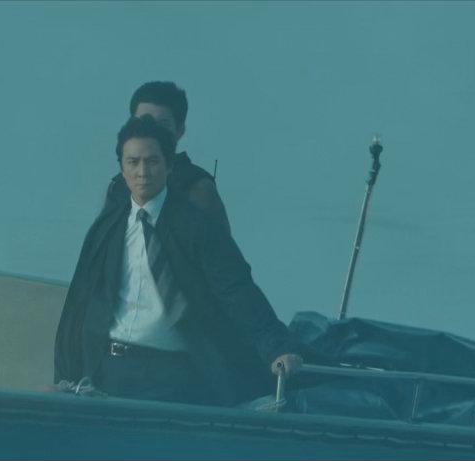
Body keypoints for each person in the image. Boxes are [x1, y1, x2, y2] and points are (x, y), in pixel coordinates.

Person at [54, 116, 308, 407]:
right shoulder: (107, 228)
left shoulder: (196, 227)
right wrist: (65, 377)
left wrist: (276, 347)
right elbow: (80, 301)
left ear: (169, 165)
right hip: (109, 371)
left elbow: (237, 290)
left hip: (170, 376)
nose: (142, 172)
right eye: (133, 162)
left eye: (152, 161)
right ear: (122, 169)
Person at [102, 81, 230, 232]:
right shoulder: (118, 187)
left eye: (162, 125)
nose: (151, 131)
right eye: (143, 122)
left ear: (180, 130)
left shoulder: (199, 188)